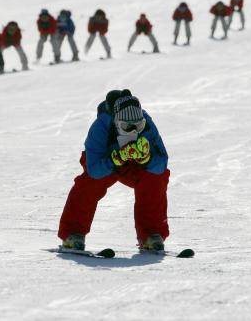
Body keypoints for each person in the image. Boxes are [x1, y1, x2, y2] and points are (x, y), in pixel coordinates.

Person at [58, 89, 170, 251]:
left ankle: (151, 234)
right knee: (88, 184)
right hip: (105, 162)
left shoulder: (148, 126)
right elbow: (94, 169)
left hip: (134, 166)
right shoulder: (100, 127)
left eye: (139, 125)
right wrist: (115, 158)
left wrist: (147, 159)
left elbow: (161, 163)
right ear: (116, 122)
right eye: (127, 126)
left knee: (155, 179)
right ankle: (72, 233)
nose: (134, 131)